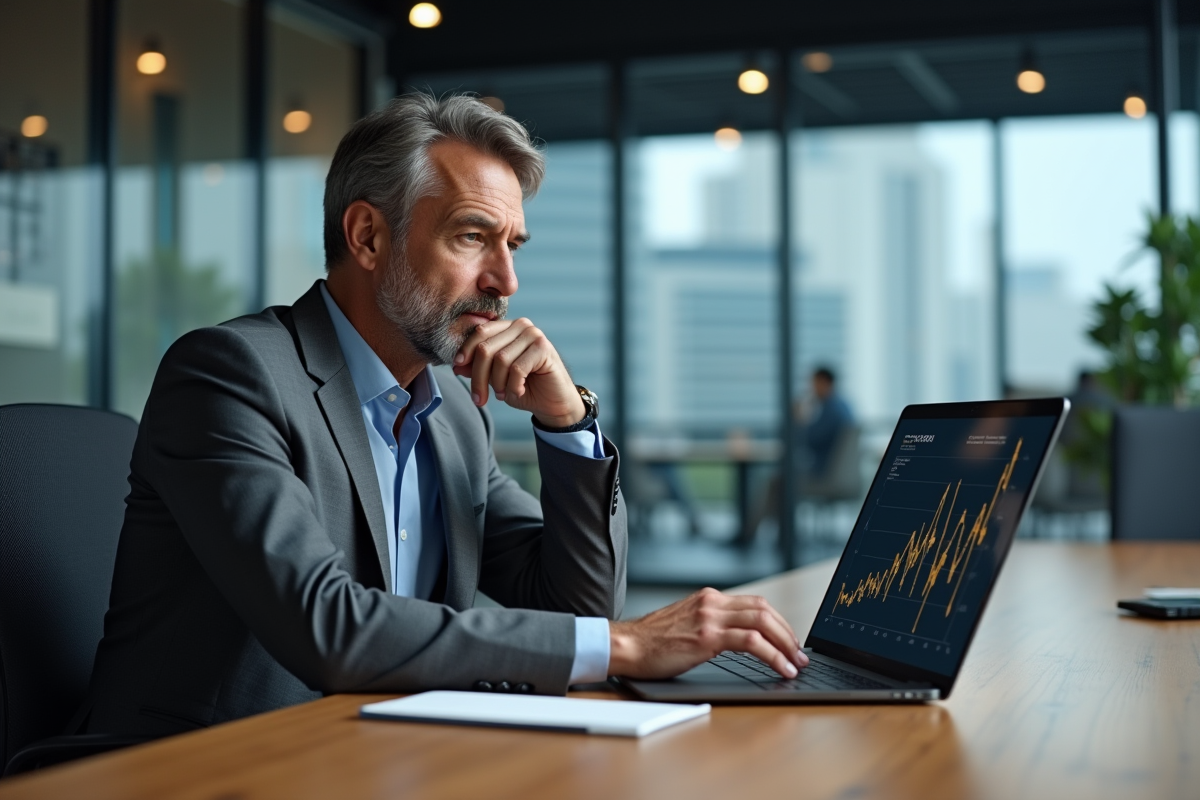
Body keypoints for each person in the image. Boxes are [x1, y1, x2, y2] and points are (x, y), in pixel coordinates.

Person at [77, 94, 806, 739]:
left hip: (381, 752)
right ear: (367, 237)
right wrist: (625, 648)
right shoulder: (228, 375)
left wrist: (564, 418)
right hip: (205, 767)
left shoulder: (454, 407)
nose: (506, 282)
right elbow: (328, 627)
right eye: (471, 236)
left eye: (512, 245)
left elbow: (577, 606)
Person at [736, 366, 855, 545]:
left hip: (824, 478)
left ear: (824, 382)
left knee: (777, 482)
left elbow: (806, 439)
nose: (810, 389)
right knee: (779, 480)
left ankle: (757, 535)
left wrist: (797, 418)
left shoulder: (832, 410)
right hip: (834, 475)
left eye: (813, 383)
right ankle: (774, 535)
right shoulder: (843, 406)